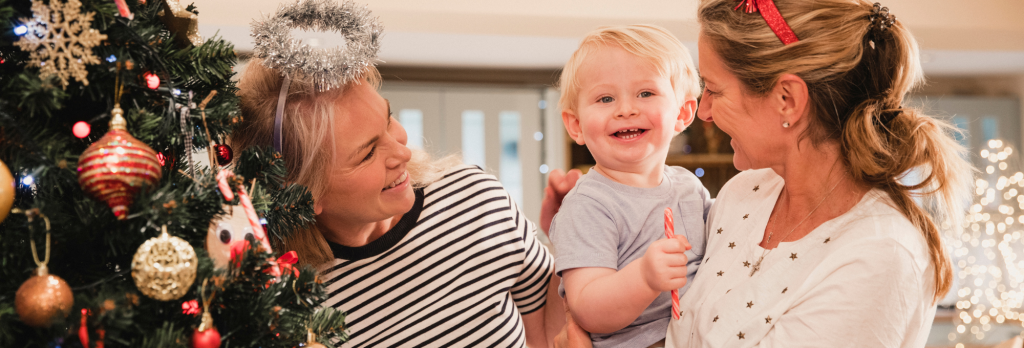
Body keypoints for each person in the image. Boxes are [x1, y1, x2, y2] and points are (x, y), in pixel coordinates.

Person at [547, 0, 973, 346]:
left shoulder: (879, 256)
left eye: (712, 89)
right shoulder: (744, 194)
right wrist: (574, 230)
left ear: (787, 100)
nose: (705, 113)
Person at [231, 45, 564, 348]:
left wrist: (574, 234)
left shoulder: (476, 199)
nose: (401, 151)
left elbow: (551, 338)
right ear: (301, 195)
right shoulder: (284, 299)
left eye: (388, 119)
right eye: (367, 152)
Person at [549, 25, 711, 348]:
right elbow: (587, 307)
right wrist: (644, 278)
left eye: (645, 93)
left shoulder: (689, 187)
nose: (626, 109)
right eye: (605, 98)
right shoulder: (587, 205)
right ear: (576, 125)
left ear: (682, 113)